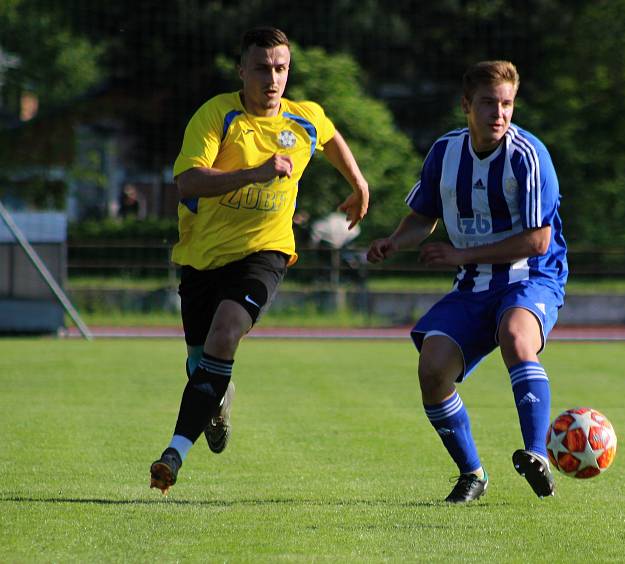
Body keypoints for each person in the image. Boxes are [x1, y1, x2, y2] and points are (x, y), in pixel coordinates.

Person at [149, 26, 370, 494]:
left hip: (265, 253)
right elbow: (187, 182)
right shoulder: (217, 115)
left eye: (281, 68)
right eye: (262, 68)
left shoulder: (302, 119)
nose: (273, 78)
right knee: (201, 365)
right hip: (202, 257)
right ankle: (219, 398)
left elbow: (328, 136)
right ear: (241, 70)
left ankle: (174, 454)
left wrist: (359, 184)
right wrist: (255, 172)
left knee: (226, 332)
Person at [367, 60, 567, 503]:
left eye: (507, 104)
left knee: (517, 336)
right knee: (433, 368)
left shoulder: (527, 156)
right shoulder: (445, 152)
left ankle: (538, 455)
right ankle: (472, 473)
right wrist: (395, 242)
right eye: (489, 103)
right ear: (466, 105)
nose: (499, 113)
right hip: (473, 284)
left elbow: (538, 241)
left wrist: (460, 254)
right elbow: (424, 216)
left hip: (530, 278)